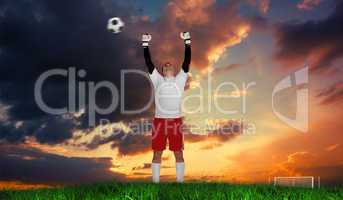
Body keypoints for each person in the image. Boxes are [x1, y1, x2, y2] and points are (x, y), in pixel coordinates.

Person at [142, 32, 191, 183]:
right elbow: (149, 63)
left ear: (174, 70)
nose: (167, 65)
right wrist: (145, 44)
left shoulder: (180, 80)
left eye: (170, 65)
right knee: (157, 153)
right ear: (162, 72)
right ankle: (155, 184)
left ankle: (180, 184)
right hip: (159, 122)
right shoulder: (158, 80)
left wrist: (187, 41)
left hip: (175, 122)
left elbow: (187, 61)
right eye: (164, 66)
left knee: (179, 153)